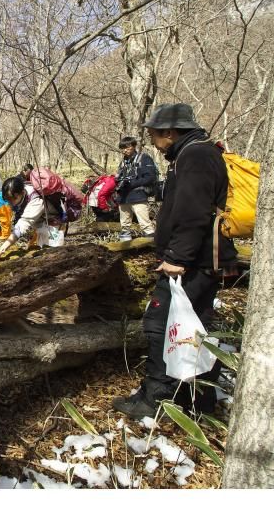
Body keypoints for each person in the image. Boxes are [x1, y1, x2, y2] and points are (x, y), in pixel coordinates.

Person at [112, 103, 237, 419]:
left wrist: (176, 258)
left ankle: (155, 398)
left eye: (154, 134)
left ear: (169, 132)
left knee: (158, 325)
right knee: (197, 327)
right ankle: (199, 399)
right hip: (198, 260)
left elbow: (193, 212)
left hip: (191, 263)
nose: (152, 140)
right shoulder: (194, 154)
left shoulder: (195, 156)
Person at [0, 176, 66, 264]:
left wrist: (1, 250)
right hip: (41, 221)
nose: (11, 202)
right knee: (43, 248)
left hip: (53, 222)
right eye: (8, 199)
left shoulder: (36, 201)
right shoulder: (21, 190)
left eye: (13, 199)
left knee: (52, 253)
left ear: (22, 192)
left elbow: (22, 226)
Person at [115, 136, 157, 240]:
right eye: (123, 148)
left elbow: (150, 178)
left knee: (145, 225)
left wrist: (132, 183)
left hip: (138, 197)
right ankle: (125, 248)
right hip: (123, 197)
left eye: (127, 147)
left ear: (134, 146)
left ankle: (152, 247)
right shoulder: (123, 162)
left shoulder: (144, 158)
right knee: (125, 227)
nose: (125, 150)